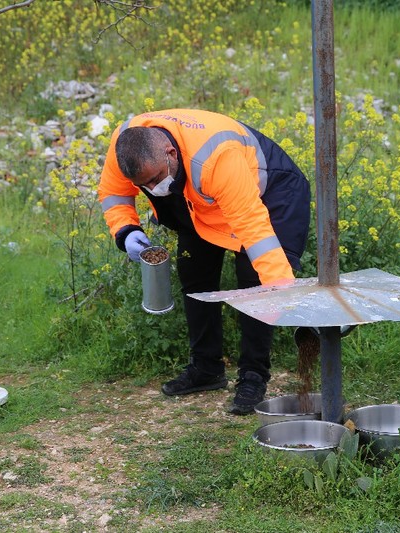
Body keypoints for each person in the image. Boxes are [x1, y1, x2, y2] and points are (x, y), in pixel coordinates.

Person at [98, 109, 311, 414]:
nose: (150, 190)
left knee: (255, 284)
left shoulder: (216, 157)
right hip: (202, 199)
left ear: (170, 153)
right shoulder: (127, 144)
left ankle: (253, 376)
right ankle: (207, 369)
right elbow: (113, 193)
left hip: (271, 193)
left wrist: (280, 288)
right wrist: (126, 230)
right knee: (194, 271)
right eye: (142, 185)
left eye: (155, 179)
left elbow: (252, 226)